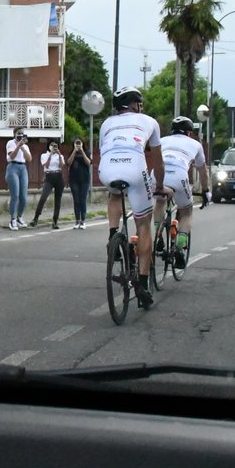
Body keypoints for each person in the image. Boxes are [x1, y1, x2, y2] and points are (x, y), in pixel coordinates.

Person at [98, 86, 165, 308]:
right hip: (135, 169)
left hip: (107, 169)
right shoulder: (149, 121)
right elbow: (157, 160)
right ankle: (143, 284)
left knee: (114, 193)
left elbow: (103, 149)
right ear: (135, 105)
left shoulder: (106, 123)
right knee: (144, 224)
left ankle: (112, 234)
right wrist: (160, 185)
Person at [158, 116, 208, 268]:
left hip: (161, 173)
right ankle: (180, 246)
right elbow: (203, 171)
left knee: (160, 201)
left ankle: (157, 234)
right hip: (179, 175)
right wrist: (205, 191)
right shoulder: (195, 144)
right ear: (189, 133)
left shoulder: (162, 140)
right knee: (186, 211)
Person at [29, 141, 67, 228]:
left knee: (58, 201)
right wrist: (50, 155)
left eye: (55, 145)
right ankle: (35, 218)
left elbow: (61, 166)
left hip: (58, 176)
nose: (54, 147)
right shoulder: (44, 155)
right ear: (48, 146)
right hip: (49, 176)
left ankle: (55, 221)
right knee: (43, 197)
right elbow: (46, 165)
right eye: (52, 145)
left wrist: (59, 154)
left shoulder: (60, 156)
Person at [5, 128, 32, 230]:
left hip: (23, 167)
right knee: (15, 195)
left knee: (23, 196)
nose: (20, 135)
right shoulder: (10, 143)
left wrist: (23, 147)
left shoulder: (25, 146)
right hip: (13, 167)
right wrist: (18, 146)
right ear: (14, 134)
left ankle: (19, 217)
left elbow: (29, 159)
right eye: (18, 133)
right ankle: (12, 220)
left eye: (22, 133)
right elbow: (11, 156)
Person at [67, 137, 93, 229]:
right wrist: (74, 151)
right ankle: (77, 220)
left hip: (84, 180)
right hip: (74, 180)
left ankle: (83, 221)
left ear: (82, 144)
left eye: (79, 143)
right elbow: (68, 163)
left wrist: (82, 151)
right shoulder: (72, 152)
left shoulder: (87, 152)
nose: (78, 145)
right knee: (76, 200)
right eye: (76, 143)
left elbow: (89, 162)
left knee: (82, 200)